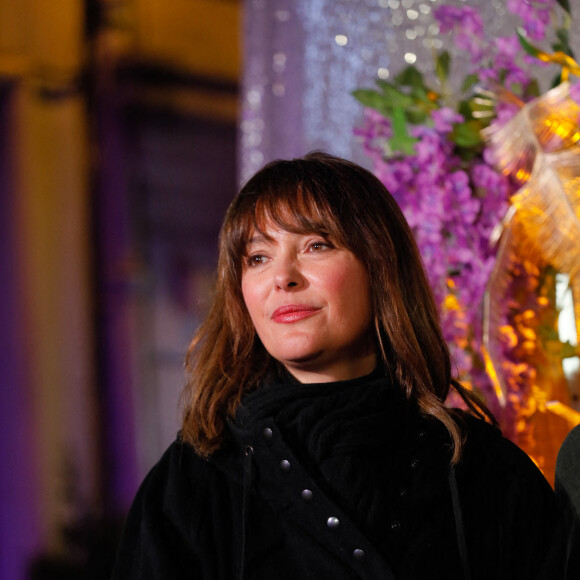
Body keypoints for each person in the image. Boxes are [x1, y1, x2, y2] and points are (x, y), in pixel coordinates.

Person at [111, 152, 578, 579]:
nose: (282, 277)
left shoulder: (476, 467)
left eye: (316, 245)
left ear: (380, 266)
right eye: (257, 257)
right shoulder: (193, 485)